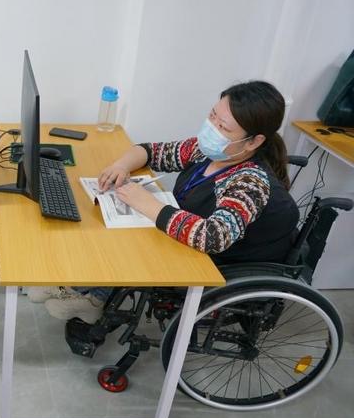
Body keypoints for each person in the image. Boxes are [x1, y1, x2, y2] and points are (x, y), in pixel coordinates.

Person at [30, 80, 299, 322]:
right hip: (180, 238)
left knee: (129, 237)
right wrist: (121, 166)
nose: (212, 128)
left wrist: (147, 204)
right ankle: (82, 288)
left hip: (209, 263)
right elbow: (150, 152)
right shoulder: (204, 151)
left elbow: (213, 237)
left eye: (223, 127)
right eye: (212, 116)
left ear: (253, 142)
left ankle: (91, 300)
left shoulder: (250, 182)